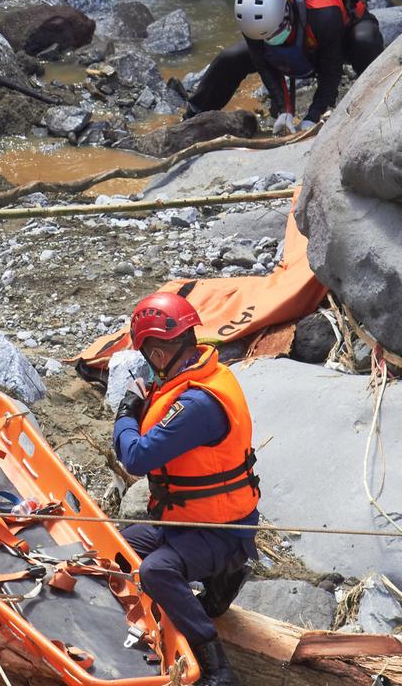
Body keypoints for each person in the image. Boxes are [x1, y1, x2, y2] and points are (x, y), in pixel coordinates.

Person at [113, 292, 258, 686]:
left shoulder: (195, 405)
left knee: (155, 570)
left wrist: (126, 414)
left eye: (147, 354)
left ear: (158, 354)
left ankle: (216, 665)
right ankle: (219, 584)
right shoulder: (205, 376)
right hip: (191, 518)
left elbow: (136, 457)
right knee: (121, 546)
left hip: (222, 530)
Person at [187, 0, 384, 134]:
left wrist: (312, 117)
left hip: (339, 38)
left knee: (364, 40)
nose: (271, 41)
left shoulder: (324, 13)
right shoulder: (253, 20)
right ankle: (192, 117)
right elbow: (263, 64)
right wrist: (284, 109)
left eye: (275, 33)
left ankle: (383, 101)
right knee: (230, 58)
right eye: (265, 38)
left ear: (286, 13)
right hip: (302, 42)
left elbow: (331, 71)